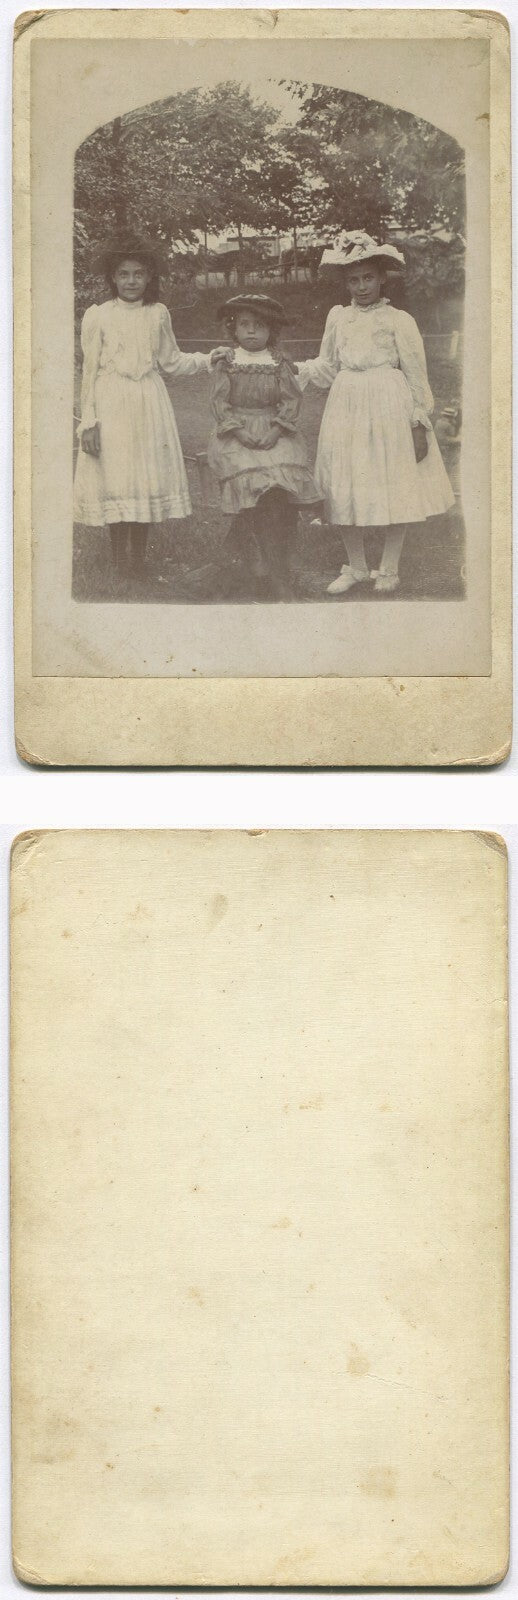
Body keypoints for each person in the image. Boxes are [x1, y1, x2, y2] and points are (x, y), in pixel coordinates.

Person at [296, 231, 455, 595]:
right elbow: (326, 365)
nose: (361, 286)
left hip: (388, 403)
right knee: (345, 481)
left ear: (382, 277)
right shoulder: (338, 318)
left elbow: (417, 376)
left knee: (392, 480)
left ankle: (389, 567)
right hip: (347, 403)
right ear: (344, 282)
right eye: (353, 279)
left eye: (368, 277)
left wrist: (418, 419)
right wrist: (295, 370)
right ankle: (355, 565)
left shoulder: (399, 320)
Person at [73, 234, 227, 576]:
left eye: (138, 274)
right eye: (124, 274)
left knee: (142, 478)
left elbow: (171, 361)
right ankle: (119, 562)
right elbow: (90, 373)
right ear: (113, 277)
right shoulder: (98, 316)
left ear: (149, 277)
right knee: (118, 478)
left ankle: (138, 562)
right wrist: (89, 422)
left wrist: (207, 359)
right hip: (111, 401)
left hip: (148, 402)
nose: (131, 281)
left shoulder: (157, 313)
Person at [208, 294, 318, 600]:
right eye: (245, 325)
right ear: (234, 329)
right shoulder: (227, 362)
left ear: (272, 330)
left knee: (278, 491)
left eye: (260, 325)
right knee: (253, 490)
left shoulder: (279, 362)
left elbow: (292, 399)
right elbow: (219, 402)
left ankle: (278, 569)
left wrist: (277, 429)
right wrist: (239, 432)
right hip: (236, 435)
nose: (252, 332)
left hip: (275, 430)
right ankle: (257, 569)